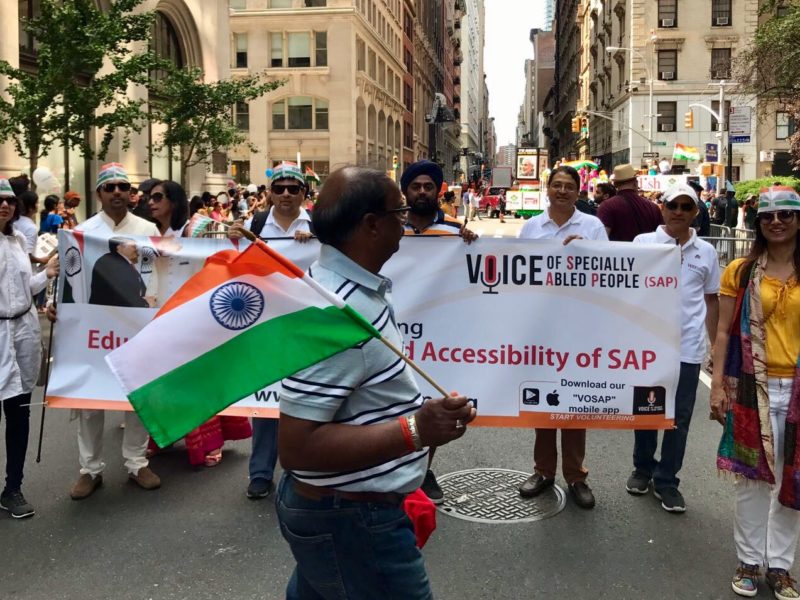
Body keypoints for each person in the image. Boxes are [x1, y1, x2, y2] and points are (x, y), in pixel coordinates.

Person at [276, 166, 476, 598]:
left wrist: (428, 421)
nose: (405, 221)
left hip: (345, 514)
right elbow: (296, 447)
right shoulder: (339, 317)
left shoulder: (354, 294)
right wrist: (417, 429)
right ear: (371, 225)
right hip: (351, 520)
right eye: (398, 211)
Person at [710, 185, 800, 599]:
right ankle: (749, 560)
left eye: (785, 214)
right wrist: (717, 388)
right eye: (768, 216)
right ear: (759, 222)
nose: (776, 222)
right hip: (752, 390)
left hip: (796, 392)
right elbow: (724, 332)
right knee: (752, 480)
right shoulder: (741, 272)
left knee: (791, 481)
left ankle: (781, 567)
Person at [68, 163, 161, 500]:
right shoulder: (83, 231)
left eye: (123, 186)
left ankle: (137, 462)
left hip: (137, 326)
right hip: (94, 328)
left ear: (130, 192)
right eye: (110, 188)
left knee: (136, 397)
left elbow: (158, 278)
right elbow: (72, 282)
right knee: (90, 399)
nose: (118, 192)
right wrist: (58, 309)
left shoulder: (149, 229)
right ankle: (89, 469)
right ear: (99, 194)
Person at [517, 165, 608, 509]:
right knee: (543, 403)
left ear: (578, 191)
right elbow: (518, 273)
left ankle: (576, 476)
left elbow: (609, 271)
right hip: (542, 328)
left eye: (569, 186)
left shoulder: (593, 226)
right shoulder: (531, 227)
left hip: (579, 329)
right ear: (547, 189)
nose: (562, 191)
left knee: (575, 405)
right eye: (556, 185)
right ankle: (543, 471)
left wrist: (589, 251)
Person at [145, 180, 252, 467]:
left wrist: (232, 235)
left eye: (157, 197)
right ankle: (162, 435)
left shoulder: (201, 228)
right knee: (166, 379)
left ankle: (209, 442)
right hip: (162, 314)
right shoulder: (148, 234)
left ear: (175, 201)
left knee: (200, 378)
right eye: (149, 197)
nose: (150, 202)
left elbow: (227, 256)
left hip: (197, 312)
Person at [627, 184, 720, 513]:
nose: (678, 211)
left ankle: (667, 481)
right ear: (662, 208)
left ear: (696, 212)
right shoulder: (643, 243)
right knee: (646, 413)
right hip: (648, 348)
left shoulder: (706, 252)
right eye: (673, 205)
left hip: (688, 349)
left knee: (679, 419)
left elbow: (711, 299)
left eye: (686, 206)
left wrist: (716, 347)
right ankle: (643, 468)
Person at [228, 162, 312, 500]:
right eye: (280, 188)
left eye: (294, 188)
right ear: (270, 193)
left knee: (308, 399)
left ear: (304, 192)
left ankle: (304, 470)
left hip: (306, 327)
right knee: (265, 403)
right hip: (265, 324)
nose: (287, 194)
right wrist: (236, 240)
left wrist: (314, 241)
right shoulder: (254, 224)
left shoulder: (319, 226)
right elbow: (235, 266)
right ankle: (261, 472)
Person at [400, 160, 478, 504]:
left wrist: (470, 242)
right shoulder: (388, 226)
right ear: (406, 191)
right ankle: (398, 471)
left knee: (432, 404)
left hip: (438, 336)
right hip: (395, 330)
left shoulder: (454, 231)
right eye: (415, 186)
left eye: (427, 186)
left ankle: (423, 471)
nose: (421, 192)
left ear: (437, 191)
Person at [0, 179, 59, 518]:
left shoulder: (19, 239)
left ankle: (13, 487)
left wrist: (46, 274)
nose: (5, 205)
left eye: (9, 200)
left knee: (19, 413)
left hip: (22, 332)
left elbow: (24, 288)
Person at [597, 163, 662, 241]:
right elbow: (661, 238)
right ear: (635, 183)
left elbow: (600, 240)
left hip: (617, 252)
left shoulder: (607, 206)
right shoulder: (653, 207)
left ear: (615, 184)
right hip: (646, 252)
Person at [88, 237, 149, 308]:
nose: (136, 249)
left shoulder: (119, 262)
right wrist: (145, 303)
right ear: (119, 247)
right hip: (110, 314)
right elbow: (124, 294)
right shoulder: (112, 262)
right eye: (133, 246)